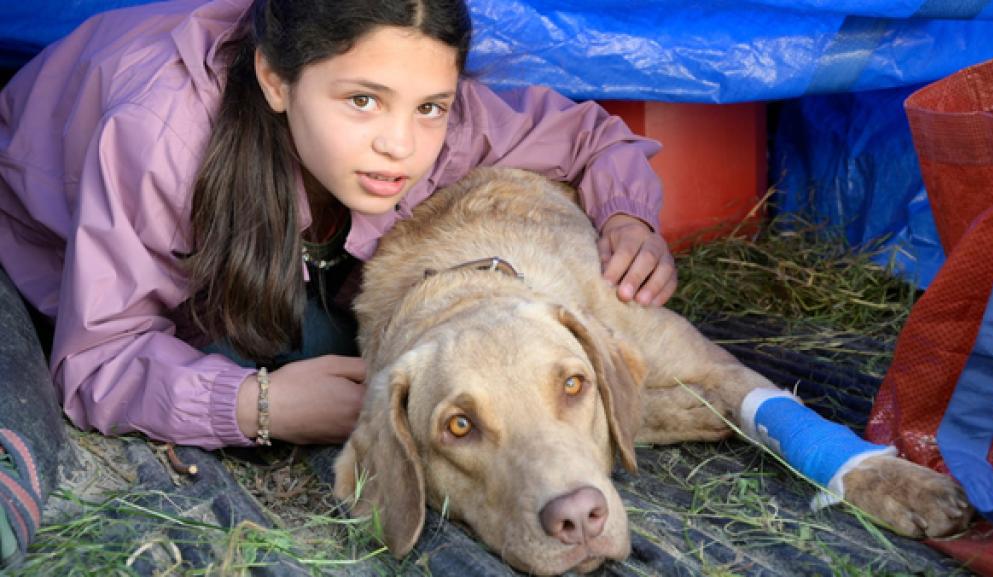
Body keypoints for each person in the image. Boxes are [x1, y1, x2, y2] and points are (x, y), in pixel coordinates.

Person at [0, 0, 674, 457]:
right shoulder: (160, 136)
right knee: (271, 354)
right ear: (274, 79)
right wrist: (260, 407)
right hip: (49, 239)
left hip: (263, 233)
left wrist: (628, 217)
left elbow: (590, 138)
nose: (401, 146)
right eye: (362, 100)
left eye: (430, 106)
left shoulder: (433, 123)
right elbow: (95, 359)